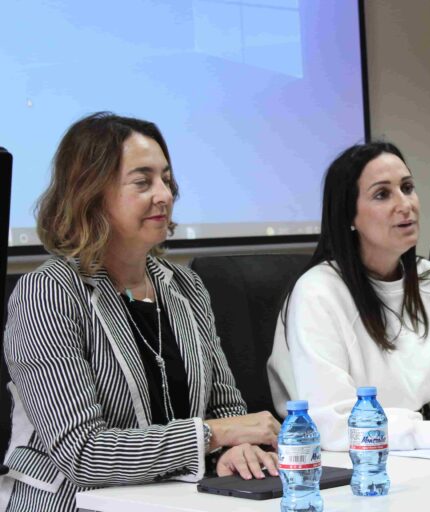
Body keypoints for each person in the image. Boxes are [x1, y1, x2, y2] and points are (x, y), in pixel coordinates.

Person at [1, 113, 280, 511]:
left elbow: (224, 408)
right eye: (143, 182)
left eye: (166, 179)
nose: (164, 194)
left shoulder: (184, 285)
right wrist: (211, 435)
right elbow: (83, 454)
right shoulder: (48, 292)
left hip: (174, 501)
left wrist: (235, 450)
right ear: (91, 193)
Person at [267, 142, 430, 451]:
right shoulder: (317, 292)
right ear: (349, 216)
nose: (405, 204)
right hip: (344, 462)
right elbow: (332, 422)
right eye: (382, 194)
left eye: (407, 188)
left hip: (418, 453)